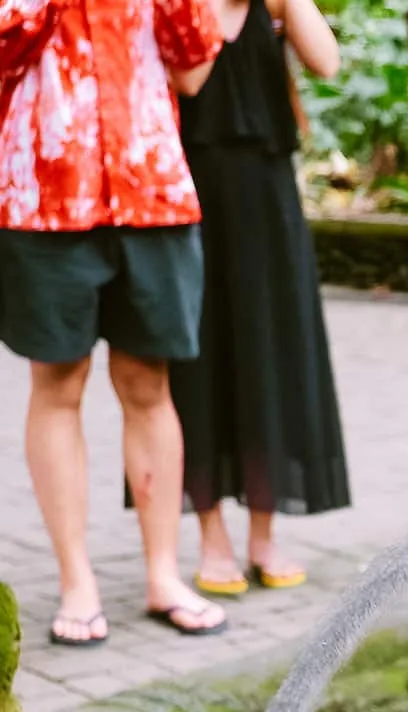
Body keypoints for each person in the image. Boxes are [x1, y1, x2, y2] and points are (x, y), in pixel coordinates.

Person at [0, 0, 228, 645]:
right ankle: (77, 582)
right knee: (58, 381)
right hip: (42, 194)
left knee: (148, 384)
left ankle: (163, 575)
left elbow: (195, 70)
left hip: (150, 191)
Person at [170, 0, 345, 598]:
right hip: (188, 200)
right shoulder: (180, 6)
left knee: (270, 356)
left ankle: (264, 534)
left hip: (268, 206)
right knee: (197, 360)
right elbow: (180, 76)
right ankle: (211, 534)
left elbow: (327, 61)